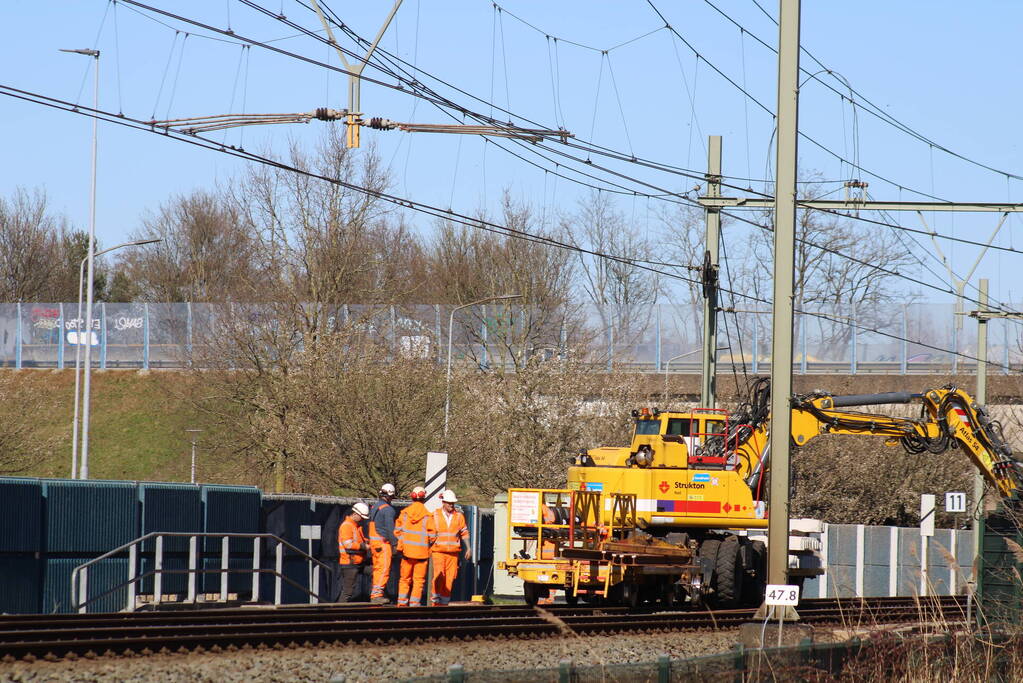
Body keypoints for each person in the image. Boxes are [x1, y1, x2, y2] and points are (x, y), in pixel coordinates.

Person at [394, 485, 436, 607]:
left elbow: (397, 532)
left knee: (404, 579)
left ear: (412, 497)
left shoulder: (404, 514)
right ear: (424, 498)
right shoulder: (428, 516)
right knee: (418, 581)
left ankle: (401, 603)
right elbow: (432, 536)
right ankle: (414, 603)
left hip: (406, 553)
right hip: (421, 555)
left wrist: (404, 544)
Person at [430, 489, 471, 606]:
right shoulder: (435, 515)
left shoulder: (459, 516)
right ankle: (435, 602)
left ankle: (444, 603)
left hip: (453, 553)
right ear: (443, 502)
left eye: (452, 503)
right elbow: (429, 533)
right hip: (438, 551)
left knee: (450, 579)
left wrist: (468, 548)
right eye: (449, 503)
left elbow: (464, 532)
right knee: (439, 576)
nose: (451, 505)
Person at [368, 483, 398, 604]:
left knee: (377, 569)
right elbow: (390, 530)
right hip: (383, 544)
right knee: (384, 569)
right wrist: (395, 544)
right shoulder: (388, 510)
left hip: (374, 544)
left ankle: (376, 592)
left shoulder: (375, 507)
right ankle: (376, 595)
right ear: (390, 495)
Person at [337, 502, 371, 602]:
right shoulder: (346, 526)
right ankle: (338, 613)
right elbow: (348, 545)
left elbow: (360, 540)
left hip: (358, 562)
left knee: (376, 572)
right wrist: (364, 546)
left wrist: (369, 543)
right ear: (355, 514)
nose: (363, 520)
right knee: (348, 591)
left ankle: (377, 596)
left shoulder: (355, 526)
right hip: (349, 563)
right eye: (362, 517)